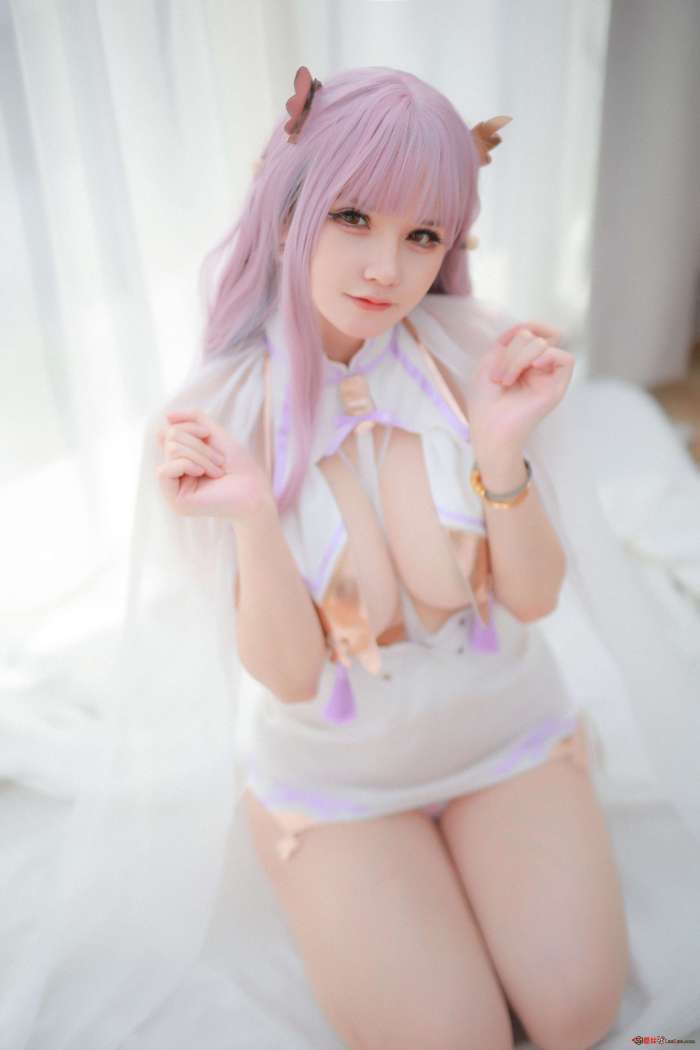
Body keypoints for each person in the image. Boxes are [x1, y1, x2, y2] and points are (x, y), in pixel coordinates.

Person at [4, 64, 699, 1050]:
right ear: (289, 213)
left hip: (508, 735)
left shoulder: (475, 355)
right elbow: (291, 676)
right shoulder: (216, 420)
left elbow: (537, 598)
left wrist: (501, 449)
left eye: (423, 235)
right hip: (341, 786)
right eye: (353, 218)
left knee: (578, 1013)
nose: (386, 268)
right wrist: (253, 517)